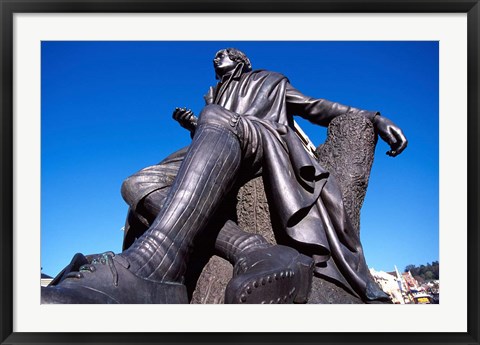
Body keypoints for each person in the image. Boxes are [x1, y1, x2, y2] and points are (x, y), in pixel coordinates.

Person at [42, 48, 407, 304]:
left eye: (226, 53)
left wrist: (372, 116)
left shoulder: (270, 80)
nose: (218, 57)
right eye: (215, 55)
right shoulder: (213, 94)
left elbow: (315, 106)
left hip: (262, 142)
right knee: (137, 183)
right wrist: (195, 123)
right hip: (219, 140)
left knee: (217, 119)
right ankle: (255, 251)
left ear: (242, 61)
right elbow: (211, 144)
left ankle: (151, 266)